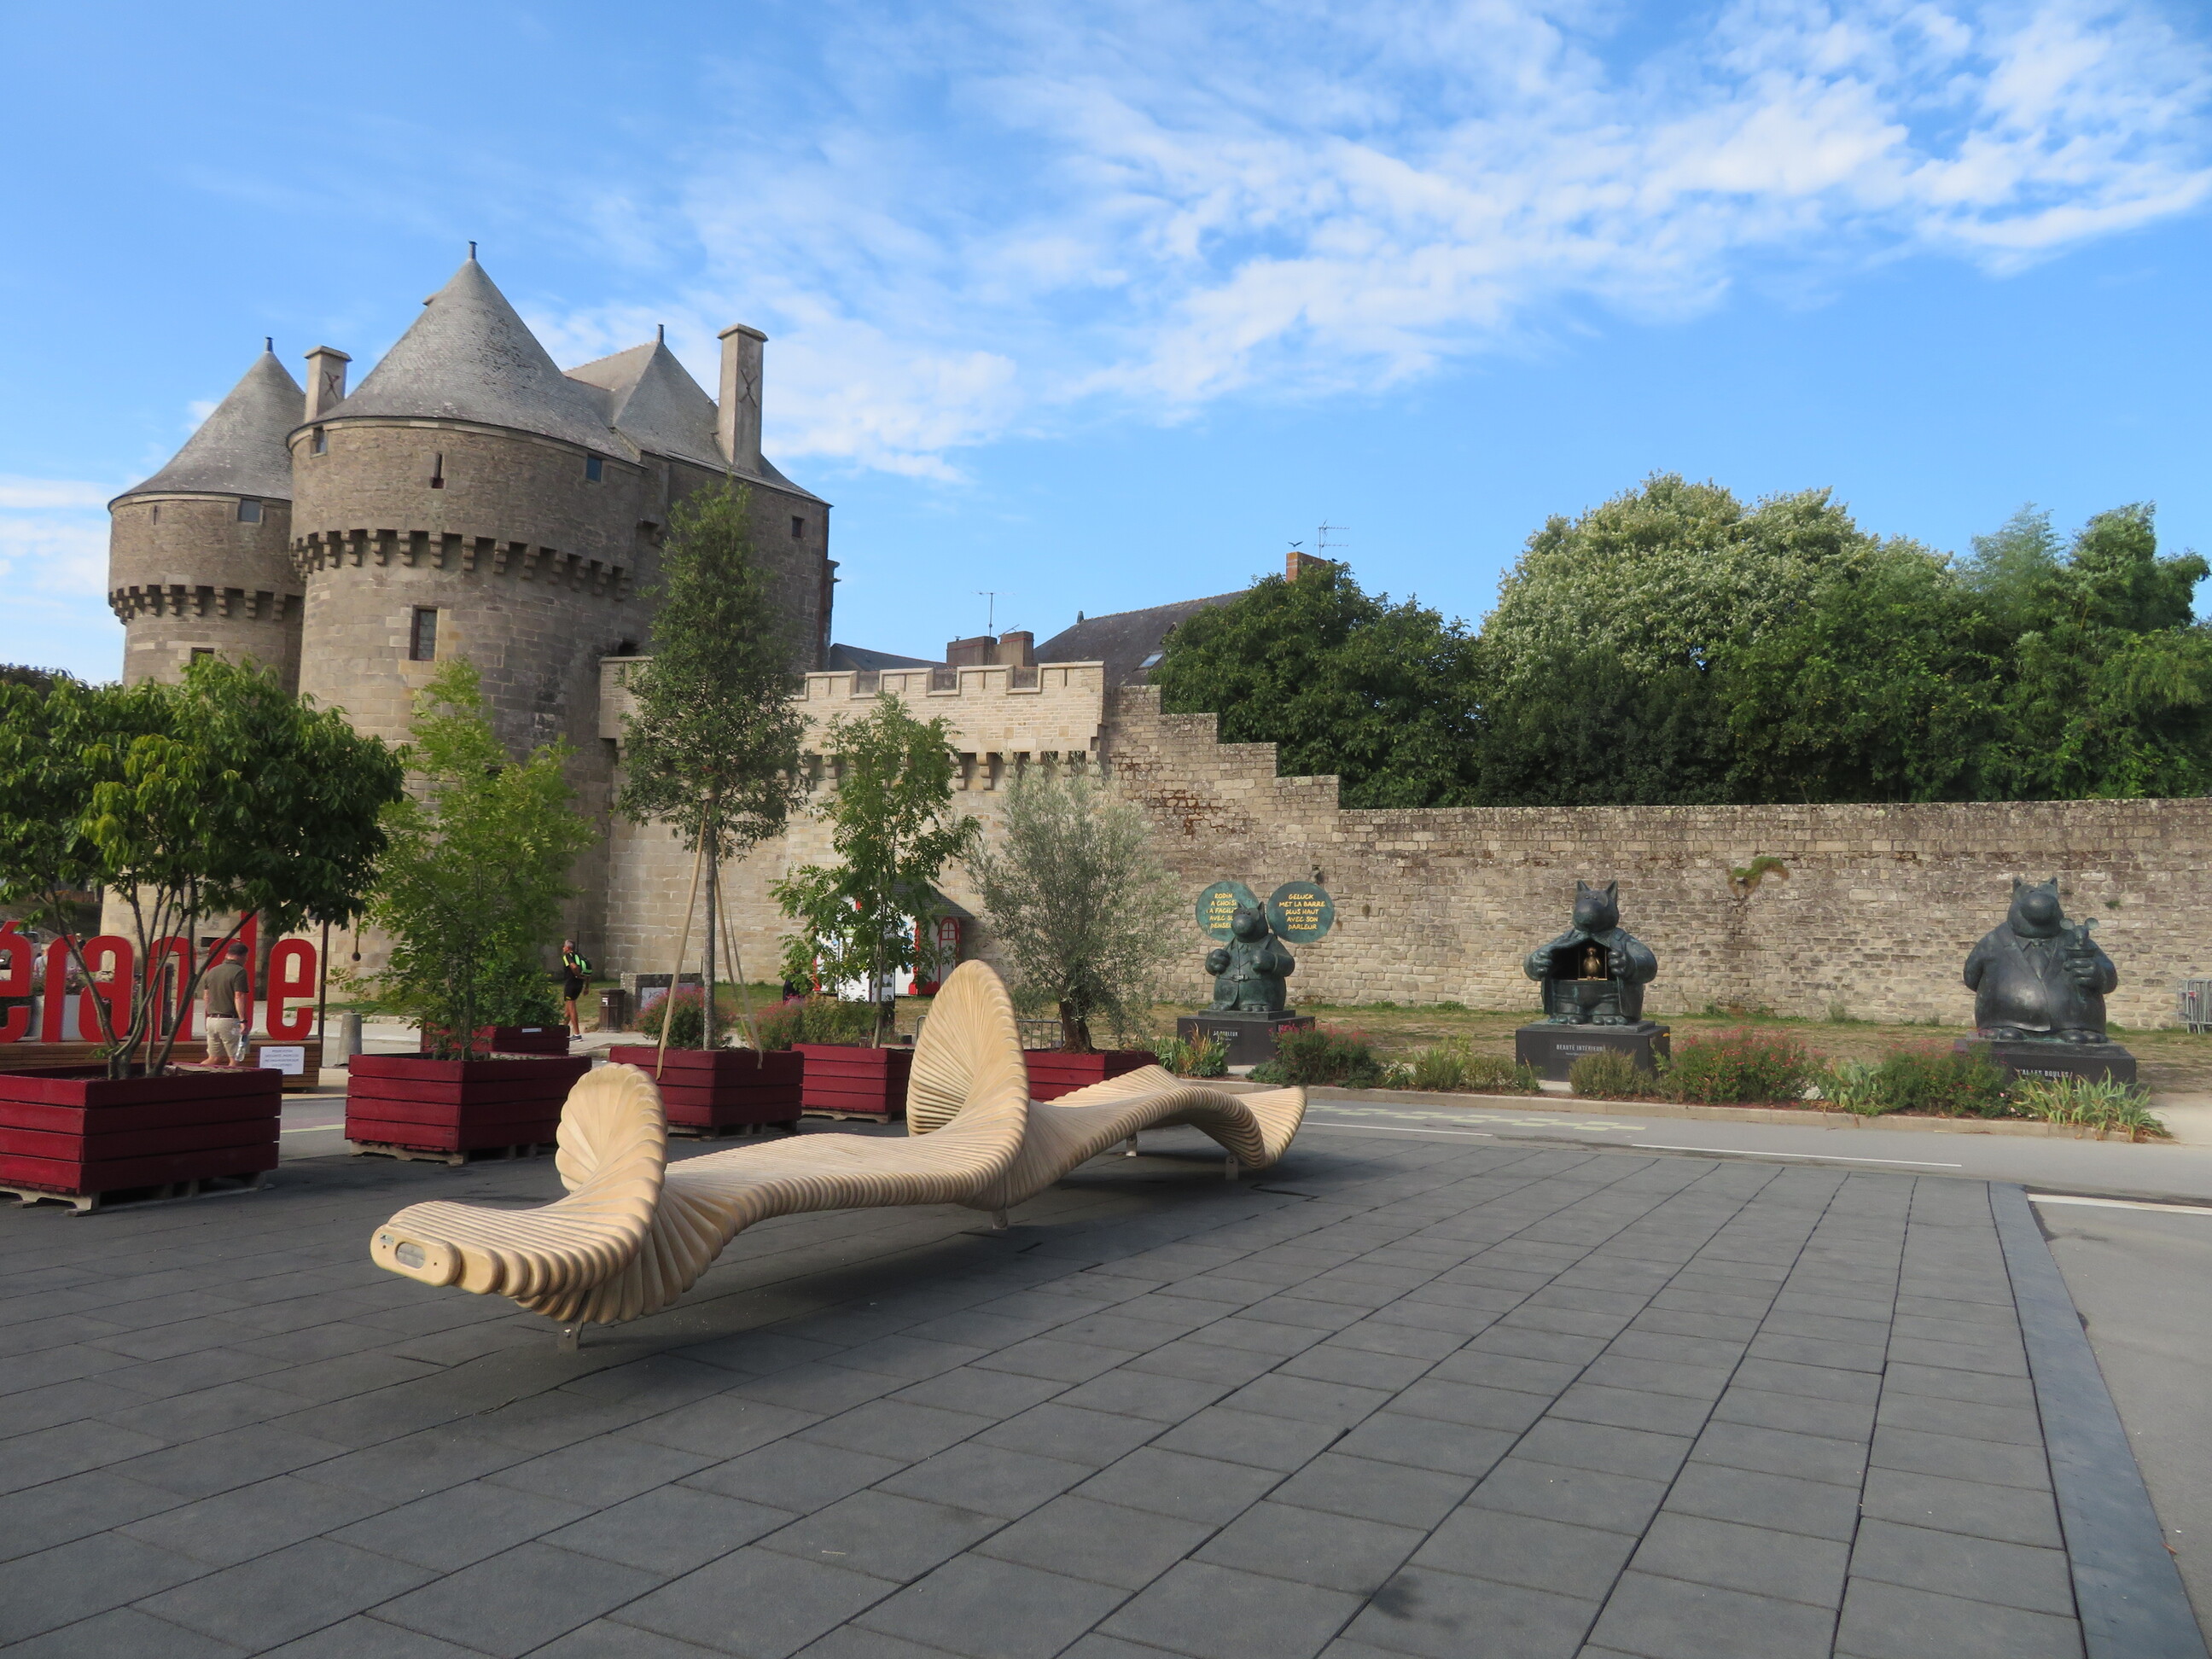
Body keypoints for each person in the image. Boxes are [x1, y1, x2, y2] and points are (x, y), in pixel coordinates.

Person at [201, 941, 253, 1067]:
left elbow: (206, 996)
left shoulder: (212, 971)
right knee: (235, 1060)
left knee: (213, 1058)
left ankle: (194, 1075)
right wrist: (243, 1021)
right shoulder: (239, 971)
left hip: (212, 1020)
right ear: (243, 956)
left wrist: (210, 1014)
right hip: (230, 1021)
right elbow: (239, 996)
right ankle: (230, 1080)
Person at [560, 939, 592, 1035]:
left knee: (572, 1007)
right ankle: (562, 1032)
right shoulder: (580, 956)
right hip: (579, 984)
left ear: (568, 948)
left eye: (564, 946)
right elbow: (589, 971)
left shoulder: (568, 956)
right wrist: (587, 986)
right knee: (568, 1010)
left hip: (571, 984)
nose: (563, 948)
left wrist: (577, 975)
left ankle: (577, 1034)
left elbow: (573, 967)